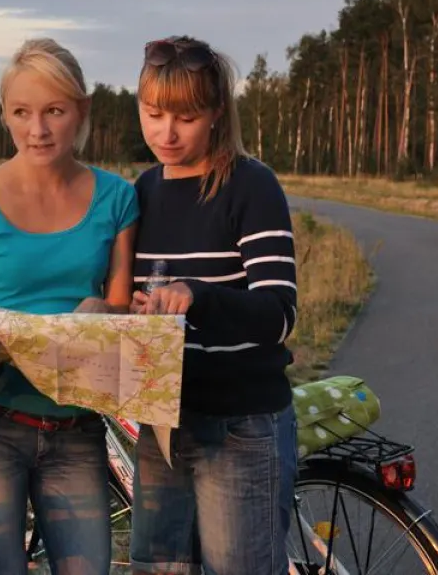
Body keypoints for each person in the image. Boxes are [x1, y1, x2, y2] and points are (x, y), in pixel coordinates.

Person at [0, 38, 139, 574]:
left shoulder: (118, 199)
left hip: (77, 432)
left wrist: (102, 314)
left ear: (81, 111)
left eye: (54, 111)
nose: (37, 130)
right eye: (22, 113)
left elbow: (119, 317)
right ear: (6, 116)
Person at [126, 35, 299, 575]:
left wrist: (198, 296)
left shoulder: (251, 185)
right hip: (162, 427)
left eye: (186, 117)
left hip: (239, 425)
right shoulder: (143, 192)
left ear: (218, 114)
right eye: (153, 114)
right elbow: (139, 299)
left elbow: (279, 313)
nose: (167, 133)